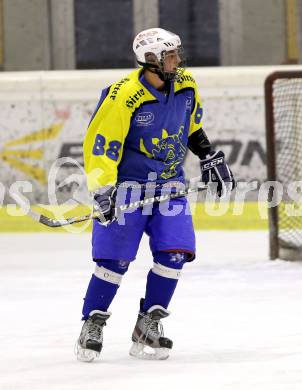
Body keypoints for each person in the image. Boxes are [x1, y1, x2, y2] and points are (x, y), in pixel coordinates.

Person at [76, 28, 235, 362]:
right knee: (113, 263)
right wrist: (103, 190)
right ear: (151, 60)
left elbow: (191, 126)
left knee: (175, 254)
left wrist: (207, 155)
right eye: (170, 55)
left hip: (170, 187)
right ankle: (92, 323)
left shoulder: (187, 84)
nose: (178, 60)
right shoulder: (123, 95)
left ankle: (148, 324)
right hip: (127, 191)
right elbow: (101, 146)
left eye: (177, 53)